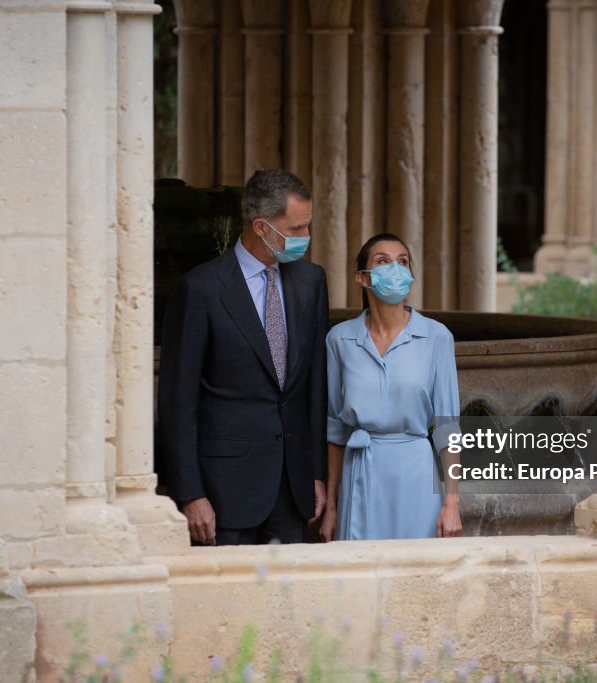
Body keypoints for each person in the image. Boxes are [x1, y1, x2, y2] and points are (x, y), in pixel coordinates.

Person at [158, 169, 328, 545]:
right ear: (262, 227)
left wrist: (315, 473)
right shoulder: (200, 290)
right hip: (224, 492)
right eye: (297, 229)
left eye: (308, 227)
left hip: (292, 490)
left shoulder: (310, 282)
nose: (306, 239)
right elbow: (177, 401)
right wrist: (190, 494)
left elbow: (315, 386)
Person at [319, 234, 462, 541]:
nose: (395, 269)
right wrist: (331, 506)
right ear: (362, 278)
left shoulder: (437, 337)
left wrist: (451, 501)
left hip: (416, 472)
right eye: (382, 261)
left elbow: (448, 428)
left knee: (418, 576)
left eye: (403, 262)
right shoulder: (338, 340)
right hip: (360, 470)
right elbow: (334, 430)